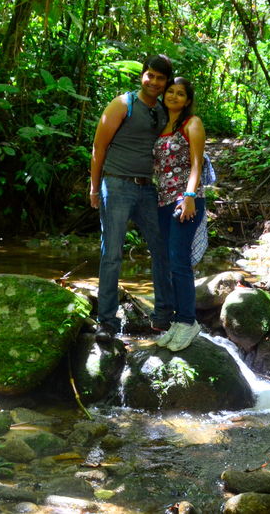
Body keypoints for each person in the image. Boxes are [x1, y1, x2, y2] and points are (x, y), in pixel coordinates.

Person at [89, 54, 175, 341]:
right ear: (142, 76)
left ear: (166, 83)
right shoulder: (122, 104)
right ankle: (107, 322)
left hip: (147, 189)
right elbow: (98, 148)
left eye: (160, 78)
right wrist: (93, 187)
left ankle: (163, 316)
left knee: (161, 249)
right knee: (111, 253)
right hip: (116, 185)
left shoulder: (162, 111)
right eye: (150, 75)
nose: (153, 81)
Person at [153, 77, 206, 351]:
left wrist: (189, 196)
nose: (174, 96)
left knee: (179, 262)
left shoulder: (192, 123)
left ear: (187, 100)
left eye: (180, 93)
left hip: (184, 201)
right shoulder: (160, 125)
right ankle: (177, 320)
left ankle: (188, 321)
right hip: (162, 202)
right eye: (170, 92)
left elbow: (197, 163)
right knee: (168, 263)